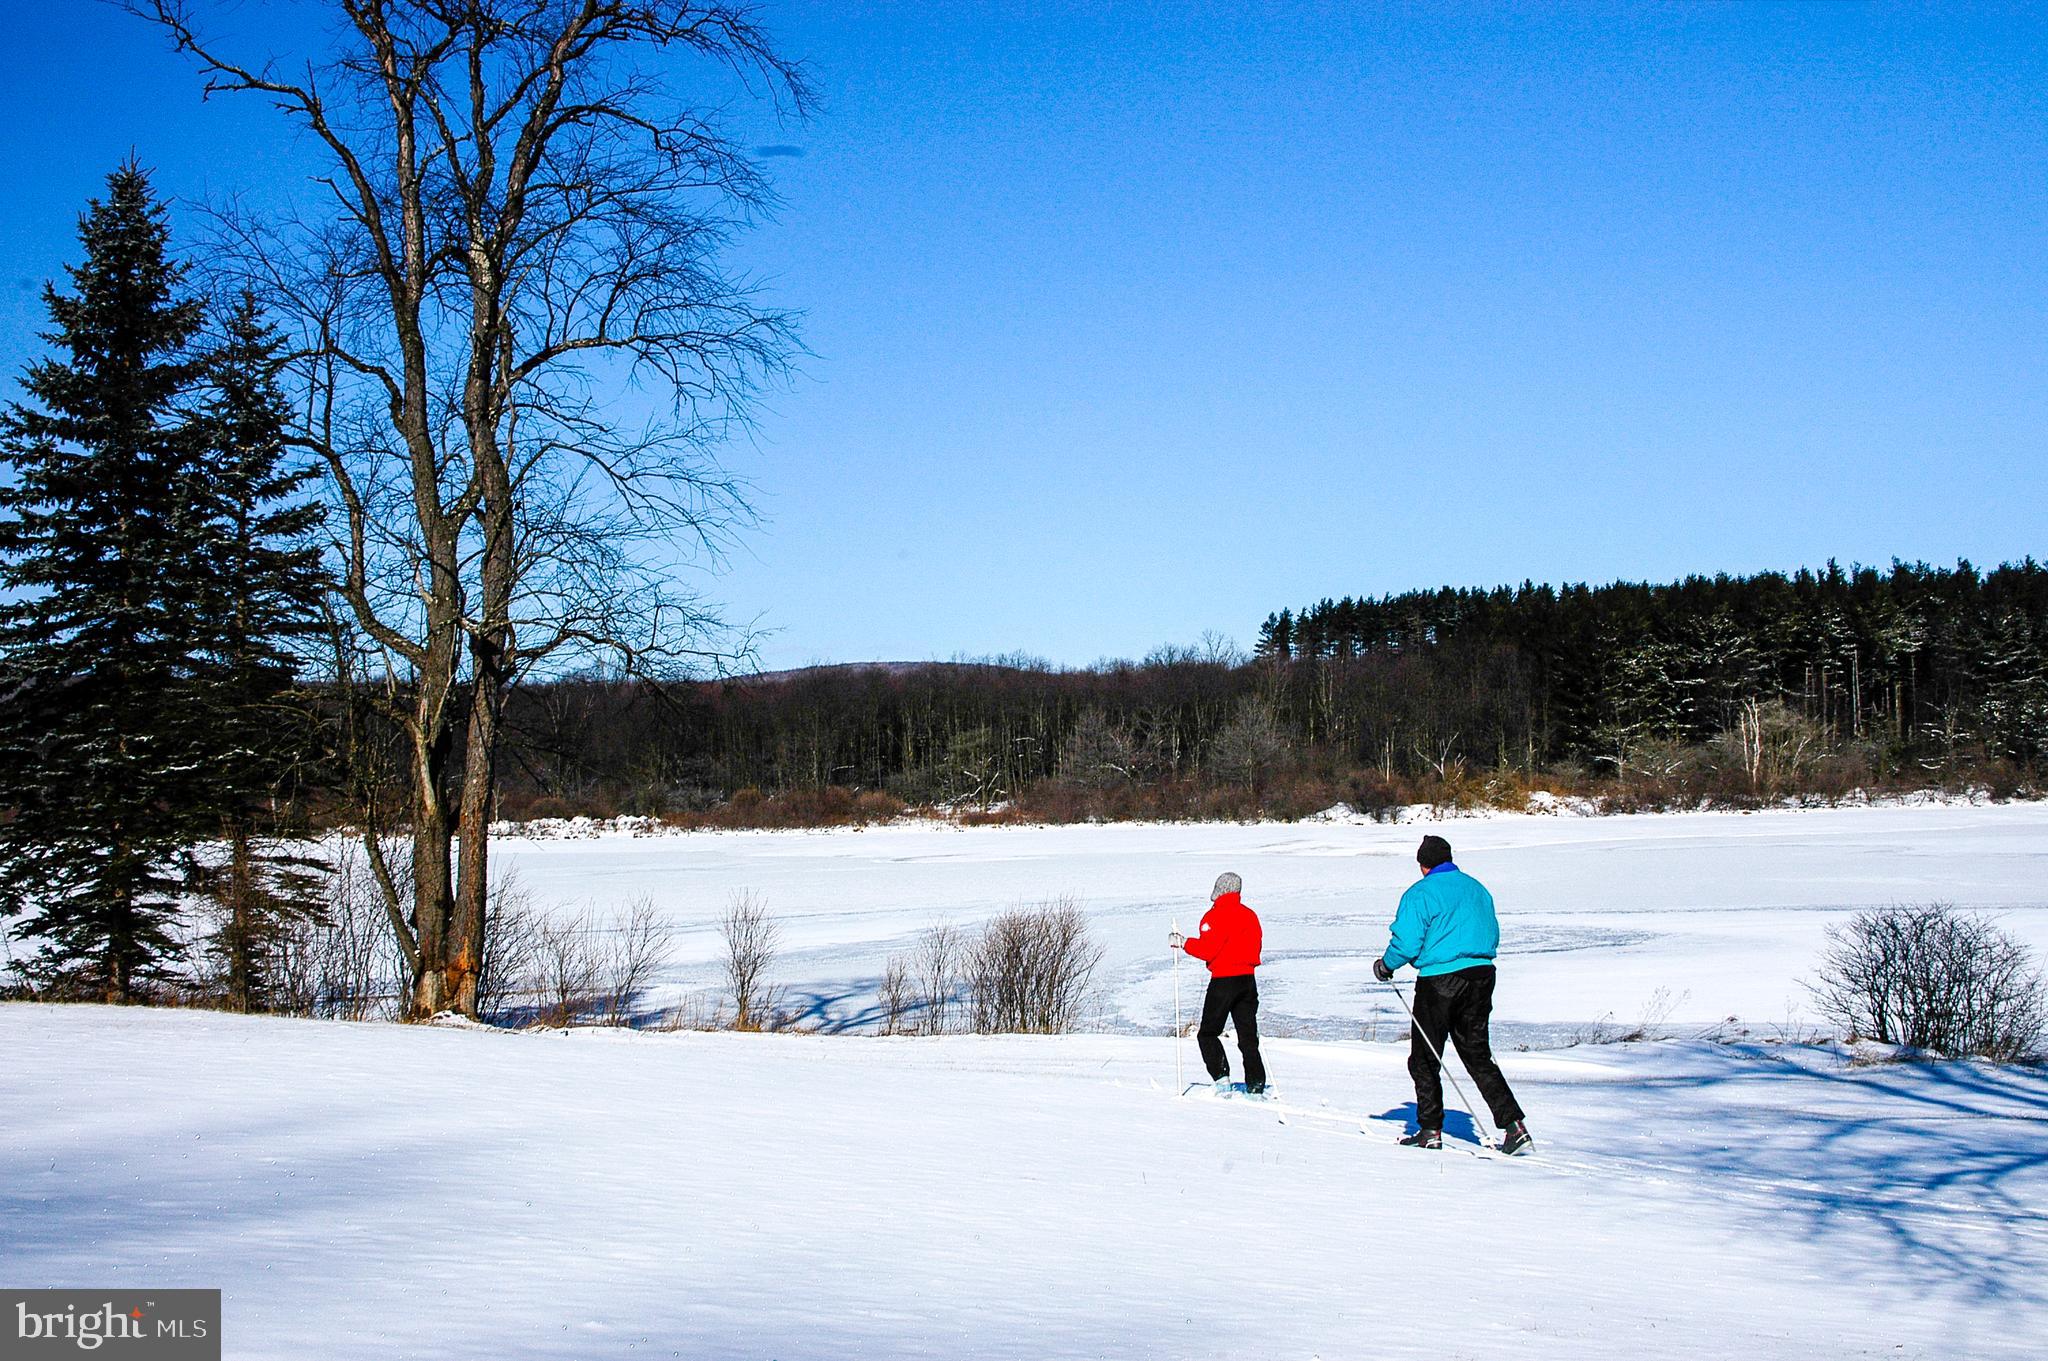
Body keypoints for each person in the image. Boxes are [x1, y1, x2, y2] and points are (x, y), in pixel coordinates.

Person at [1373, 835, 1532, 1154]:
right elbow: (1493, 932)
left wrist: (1386, 965)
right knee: (1477, 1054)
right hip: (1482, 974)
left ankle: (1430, 1130)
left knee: (1425, 1057)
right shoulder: (1477, 888)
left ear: (1423, 864)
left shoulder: (1420, 893)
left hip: (1440, 981)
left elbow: (1406, 942)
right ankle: (1514, 1126)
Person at [1170, 872, 1266, 1096]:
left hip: (1223, 981)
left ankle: (1222, 1080)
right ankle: (1255, 1085)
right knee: (1248, 1036)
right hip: (1248, 981)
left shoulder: (1215, 916)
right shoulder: (1250, 915)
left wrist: (1183, 943)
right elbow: (1256, 947)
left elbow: (1207, 949)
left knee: (1208, 1033)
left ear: (1219, 889)